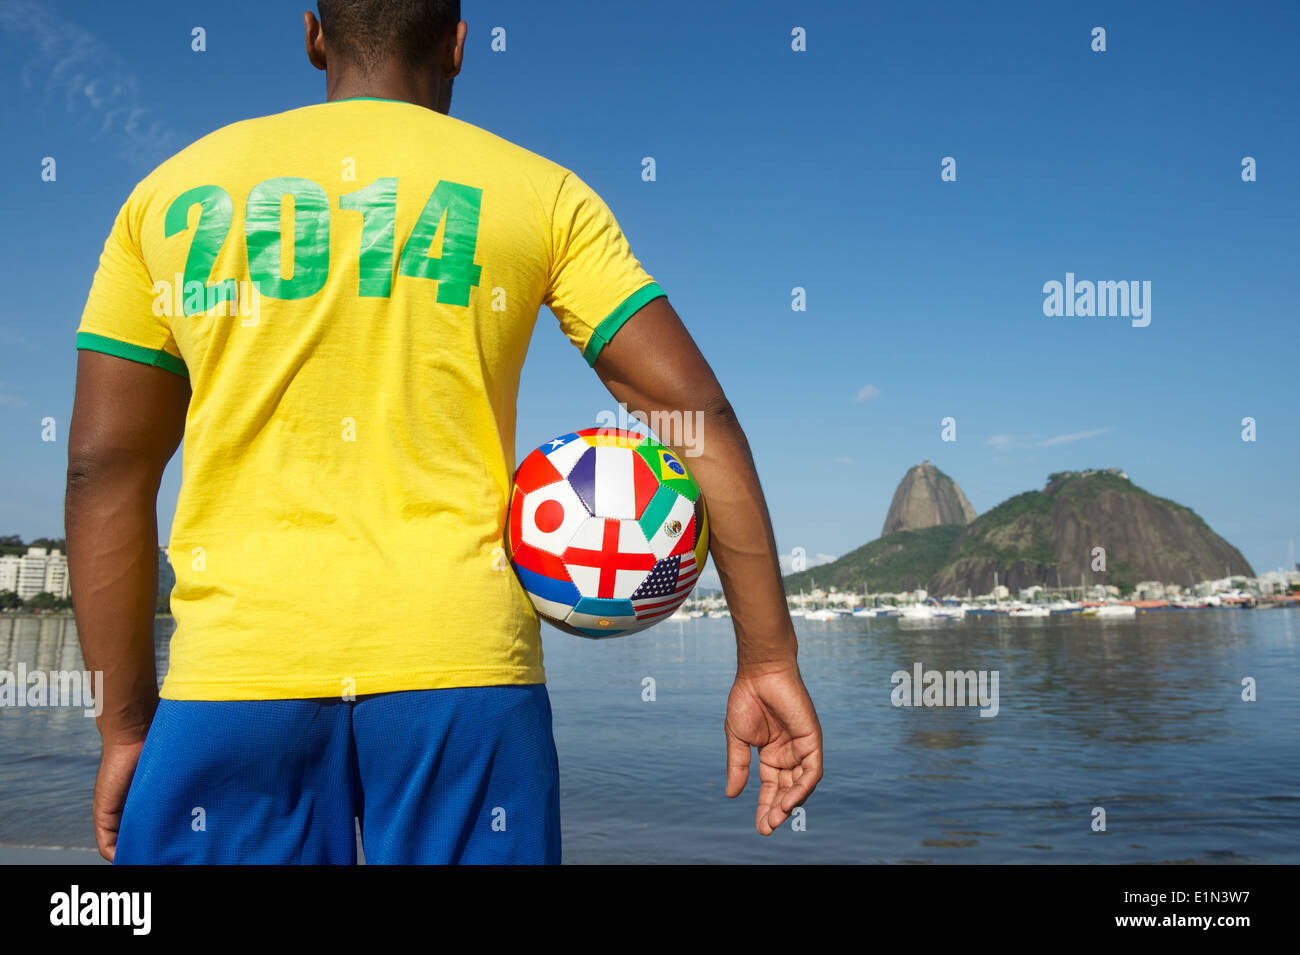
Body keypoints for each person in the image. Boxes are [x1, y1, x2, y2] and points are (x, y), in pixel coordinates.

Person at [65, 0, 822, 865]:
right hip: (466, 683)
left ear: (313, 33)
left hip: (231, 683)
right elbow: (700, 419)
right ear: (459, 45)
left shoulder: (164, 198)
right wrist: (767, 657)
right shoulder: (541, 192)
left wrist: (125, 724)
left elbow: (103, 471)